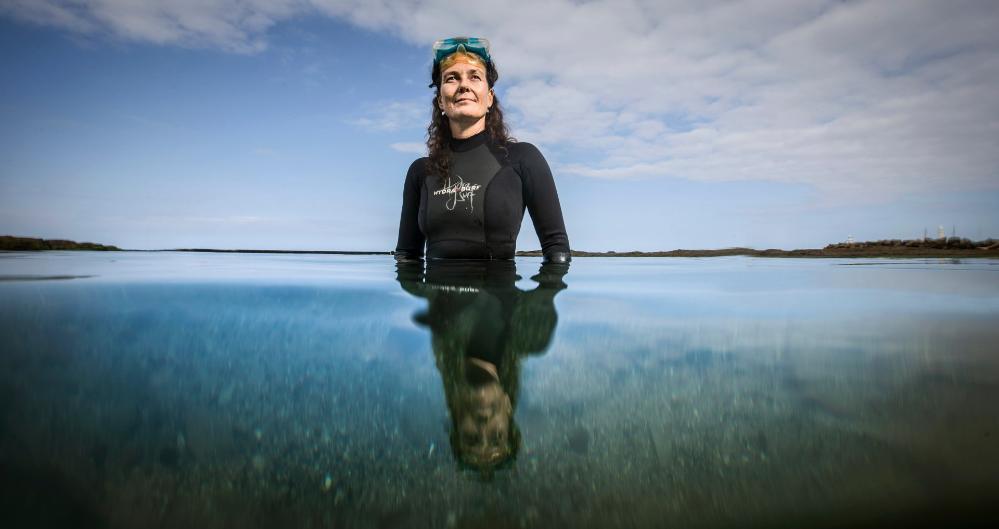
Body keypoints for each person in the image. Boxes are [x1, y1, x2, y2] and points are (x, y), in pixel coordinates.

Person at [395, 37, 571, 264]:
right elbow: (407, 258)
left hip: (501, 296)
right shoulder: (420, 171)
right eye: (452, 78)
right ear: (440, 100)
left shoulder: (523, 159)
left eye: (475, 76)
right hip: (435, 296)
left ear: (489, 98)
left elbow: (557, 251)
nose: (464, 85)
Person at [395, 258, 570, 473]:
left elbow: (408, 275)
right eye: (497, 435)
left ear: (456, 412)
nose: (484, 421)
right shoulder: (533, 333)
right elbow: (554, 270)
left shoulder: (442, 324)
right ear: (508, 407)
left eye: (471, 437)